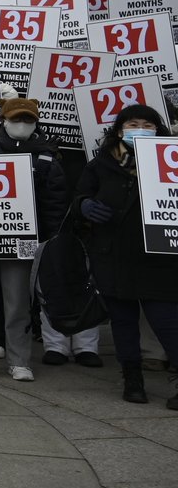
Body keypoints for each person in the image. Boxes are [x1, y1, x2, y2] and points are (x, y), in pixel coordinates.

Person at [76, 104, 178, 408]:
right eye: (133, 123)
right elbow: (80, 195)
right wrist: (85, 207)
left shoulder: (171, 160)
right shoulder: (101, 164)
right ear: (120, 129)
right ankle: (132, 379)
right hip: (113, 256)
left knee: (167, 321)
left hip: (158, 257)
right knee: (122, 321)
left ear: (158, 130)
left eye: (147, 124)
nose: (140, 129)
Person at [0, 98, 68, 381]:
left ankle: (19, 360)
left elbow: (55, 204)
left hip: (21, 240)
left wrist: (50, 240)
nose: (22, 125)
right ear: (3, 120)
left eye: (28, 120)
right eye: (17, 119)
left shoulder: (46, 157)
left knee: (18, 302)